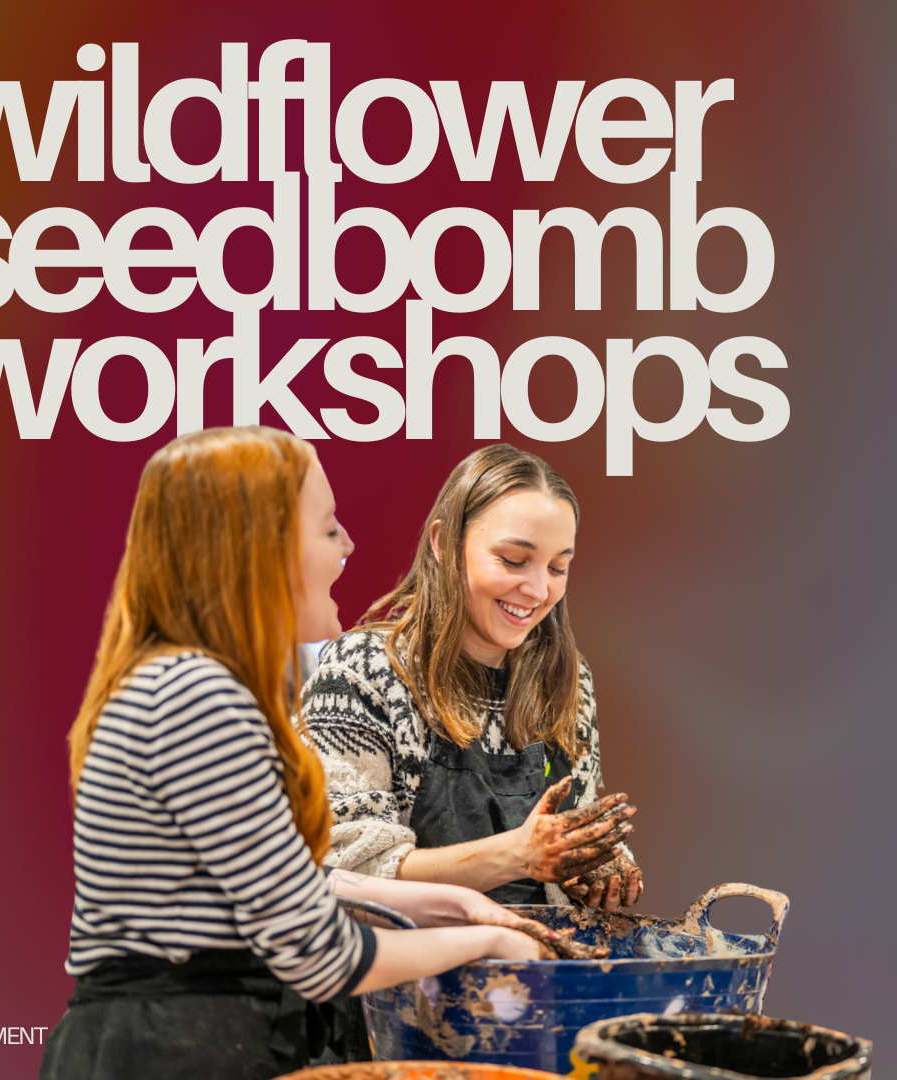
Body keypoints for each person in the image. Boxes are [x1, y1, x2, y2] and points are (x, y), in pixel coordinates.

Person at [39, 428, 558, 1080]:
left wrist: (446, 902)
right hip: (173, 1048)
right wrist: (487, 942)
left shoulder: (192, 685)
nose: (348, 546)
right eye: (328, 527)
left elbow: (276, 882)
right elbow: (319, 955)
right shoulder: (198, 697)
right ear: (259, 551)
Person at [303, 443, 643, 913]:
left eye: (558, 566)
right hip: (407, 973)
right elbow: (345, 868)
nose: (540, 590)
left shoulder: (566, 677)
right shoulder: (363, 669)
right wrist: (517, 856)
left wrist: (596, 861)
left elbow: (568, 827)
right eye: (513, 559)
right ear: (444, 543)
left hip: (542, 968)